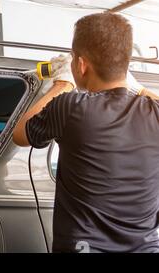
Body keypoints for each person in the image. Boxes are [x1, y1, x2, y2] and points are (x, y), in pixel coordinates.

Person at [13, 12, 159, 253]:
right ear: (125, 63)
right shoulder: (154, 112)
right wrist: (137, 87)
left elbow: (20, 133)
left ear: (81, 65)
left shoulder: (71, 106)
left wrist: (62, 84)